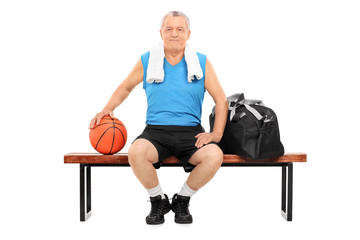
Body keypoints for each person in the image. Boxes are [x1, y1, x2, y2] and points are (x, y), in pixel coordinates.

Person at [89, 11, 228, 224]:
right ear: (161, 32)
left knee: (214, 155)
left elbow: (220, 99)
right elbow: (126, 87)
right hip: (155, 131)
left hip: (191, 132)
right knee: (136, 152)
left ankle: (182, 200)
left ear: (188, 34)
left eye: (180, 29)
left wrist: (216, 134)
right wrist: (107, 108)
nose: (174, 33)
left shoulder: (201, 62)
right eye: (169, 29)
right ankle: (157, 201)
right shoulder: (147, 60)